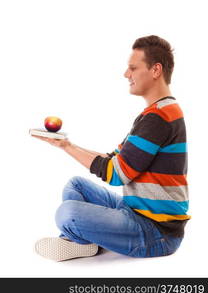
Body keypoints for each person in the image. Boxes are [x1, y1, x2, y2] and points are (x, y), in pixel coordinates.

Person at [32, 35, 191, 262]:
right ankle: (84, 242)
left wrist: (67, 148)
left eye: (133, 68)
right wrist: (65, 144)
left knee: (67, 213)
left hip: (157, 232)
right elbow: (114, 159)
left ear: (156, 70)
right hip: (134, 211)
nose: (126, 74)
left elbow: (117, 174)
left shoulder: (159, 118)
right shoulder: (154, 114)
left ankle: (80, 241)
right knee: (75, 185)